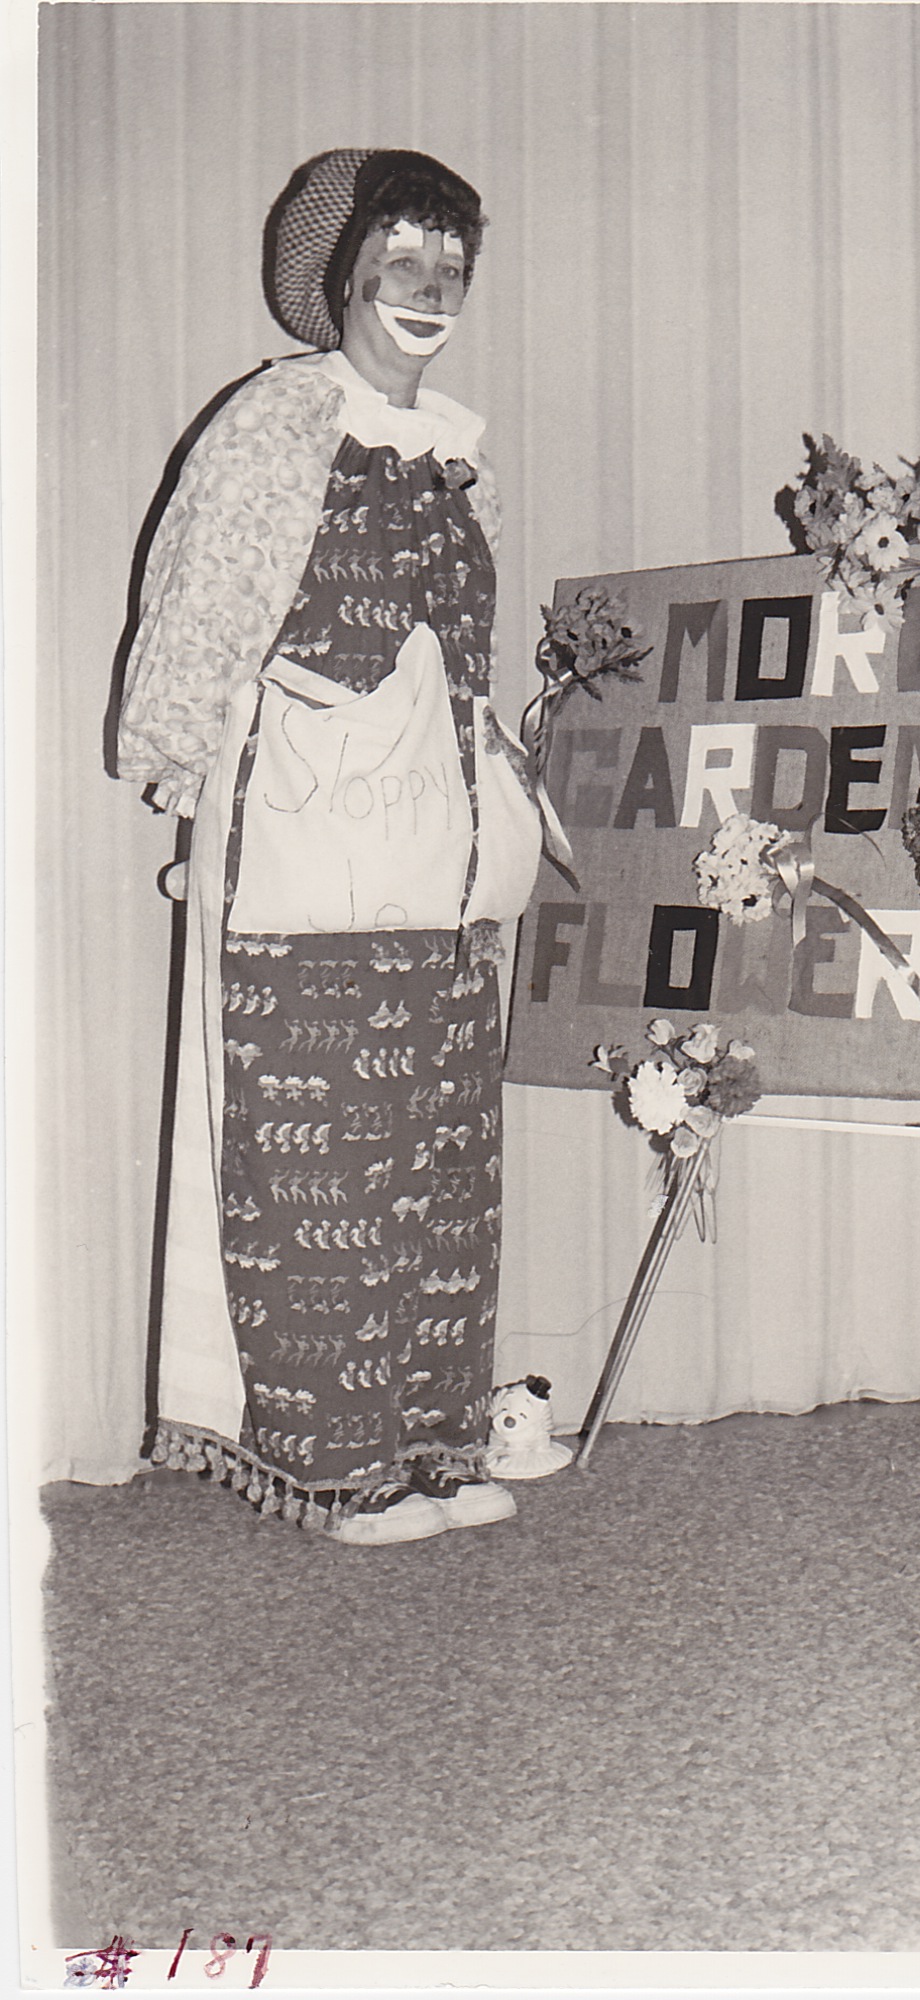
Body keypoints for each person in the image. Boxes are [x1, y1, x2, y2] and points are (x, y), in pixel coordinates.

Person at [117, 149, 544, 1544]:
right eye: (402, 260)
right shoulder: (280, 421)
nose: (428, 290)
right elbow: (206, 594)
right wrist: (179, 767)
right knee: (326, 1155)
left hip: (433, 835)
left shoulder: (459, 453)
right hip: (305, 832)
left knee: (438, 1146)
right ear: (342, 274)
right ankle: (327, 1463)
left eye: (449, 266)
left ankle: (434, 1441)